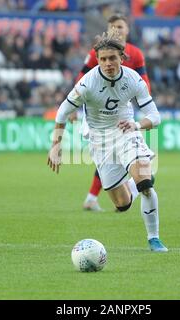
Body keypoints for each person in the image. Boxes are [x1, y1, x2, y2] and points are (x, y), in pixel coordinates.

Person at [47, 30, 168, 252]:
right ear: (98, 60)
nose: (108, 63)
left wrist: (138, 125)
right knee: (122, 204)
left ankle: (154, 238)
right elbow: (63, 112)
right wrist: (56, 146)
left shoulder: (133, 79)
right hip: (99, 141)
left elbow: (155, 116)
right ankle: (133, 183)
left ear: (121, 57)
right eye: (103, 59)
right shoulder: (87, 83)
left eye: (112, 58)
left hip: (126, 131)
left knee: (146, 186)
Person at [74, 13, 152, 212]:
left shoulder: (136, 54)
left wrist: (145, 105)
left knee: (117, 151)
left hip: (123, 111)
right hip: (96, 112)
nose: (116, 30)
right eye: (112, 27)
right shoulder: (96, 53)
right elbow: (81, 78)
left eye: (120, 26)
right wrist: (73, 107)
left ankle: (106, 193)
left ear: (127, 30)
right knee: (105, 152)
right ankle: (116, 191)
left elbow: (144, 83)